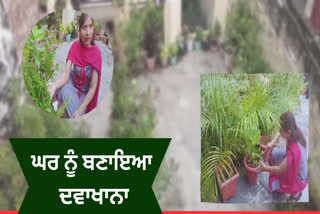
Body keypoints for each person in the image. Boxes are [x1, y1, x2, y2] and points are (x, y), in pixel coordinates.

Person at [47, 13, 102, 118]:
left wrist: (80, 111)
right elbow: (66, 73)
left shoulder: (96, 53)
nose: (88, 32)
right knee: (60, 90)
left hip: (86, 93)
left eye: (90, 26)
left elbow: (92, 88)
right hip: (72, 83)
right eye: (84, 28)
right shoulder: (75, 46)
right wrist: (54, 85)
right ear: (79, 30)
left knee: (74, 113)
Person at [257, 111, 308, 202]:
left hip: (298, 179)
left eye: (281, 130)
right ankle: (295, 192)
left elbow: (280, 169)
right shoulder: (294, 129)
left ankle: (295, 193)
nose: (279, 131)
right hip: (296, 165)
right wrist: (272, 143)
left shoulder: (294, 152)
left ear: (288, 132)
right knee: (274, 153)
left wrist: (265, 168)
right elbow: (280, 132)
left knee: (275, 183)